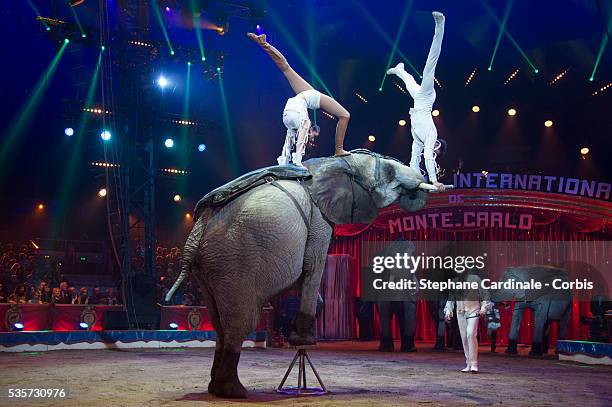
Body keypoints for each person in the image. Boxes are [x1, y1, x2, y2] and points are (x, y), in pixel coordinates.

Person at [247, 32, 351, 166]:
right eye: (314, 136)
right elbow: (304, 130)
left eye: (312, 137)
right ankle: (339, 149)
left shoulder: (300, 123)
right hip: (308, 97)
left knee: (286, 68)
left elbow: (294, 138)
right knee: (345, 115)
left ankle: (264, 44)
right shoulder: (304, 121)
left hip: (306, 96)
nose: (313, 137)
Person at [386, 11, 447, 191]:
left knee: (410, 83)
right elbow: (428, 157)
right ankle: (440, 25)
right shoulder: (432, 135)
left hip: (418, 100)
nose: (434, 152)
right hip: (427, 99)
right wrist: (434, 181)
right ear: (438, 145)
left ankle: (400, 70)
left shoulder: (419, 138)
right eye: (437, 150)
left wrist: (414, 181)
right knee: (431, 63)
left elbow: (415, 158)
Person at [444, 270, 491, 373]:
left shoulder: (475, 279)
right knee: (464, 338)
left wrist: (484, 308)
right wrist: (448, 310)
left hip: (474, 310)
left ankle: (474, 363)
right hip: (460, 312)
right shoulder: (454, 282)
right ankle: (468, 363)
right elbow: (451, 298)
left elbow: (485, 294)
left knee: (470, 334)